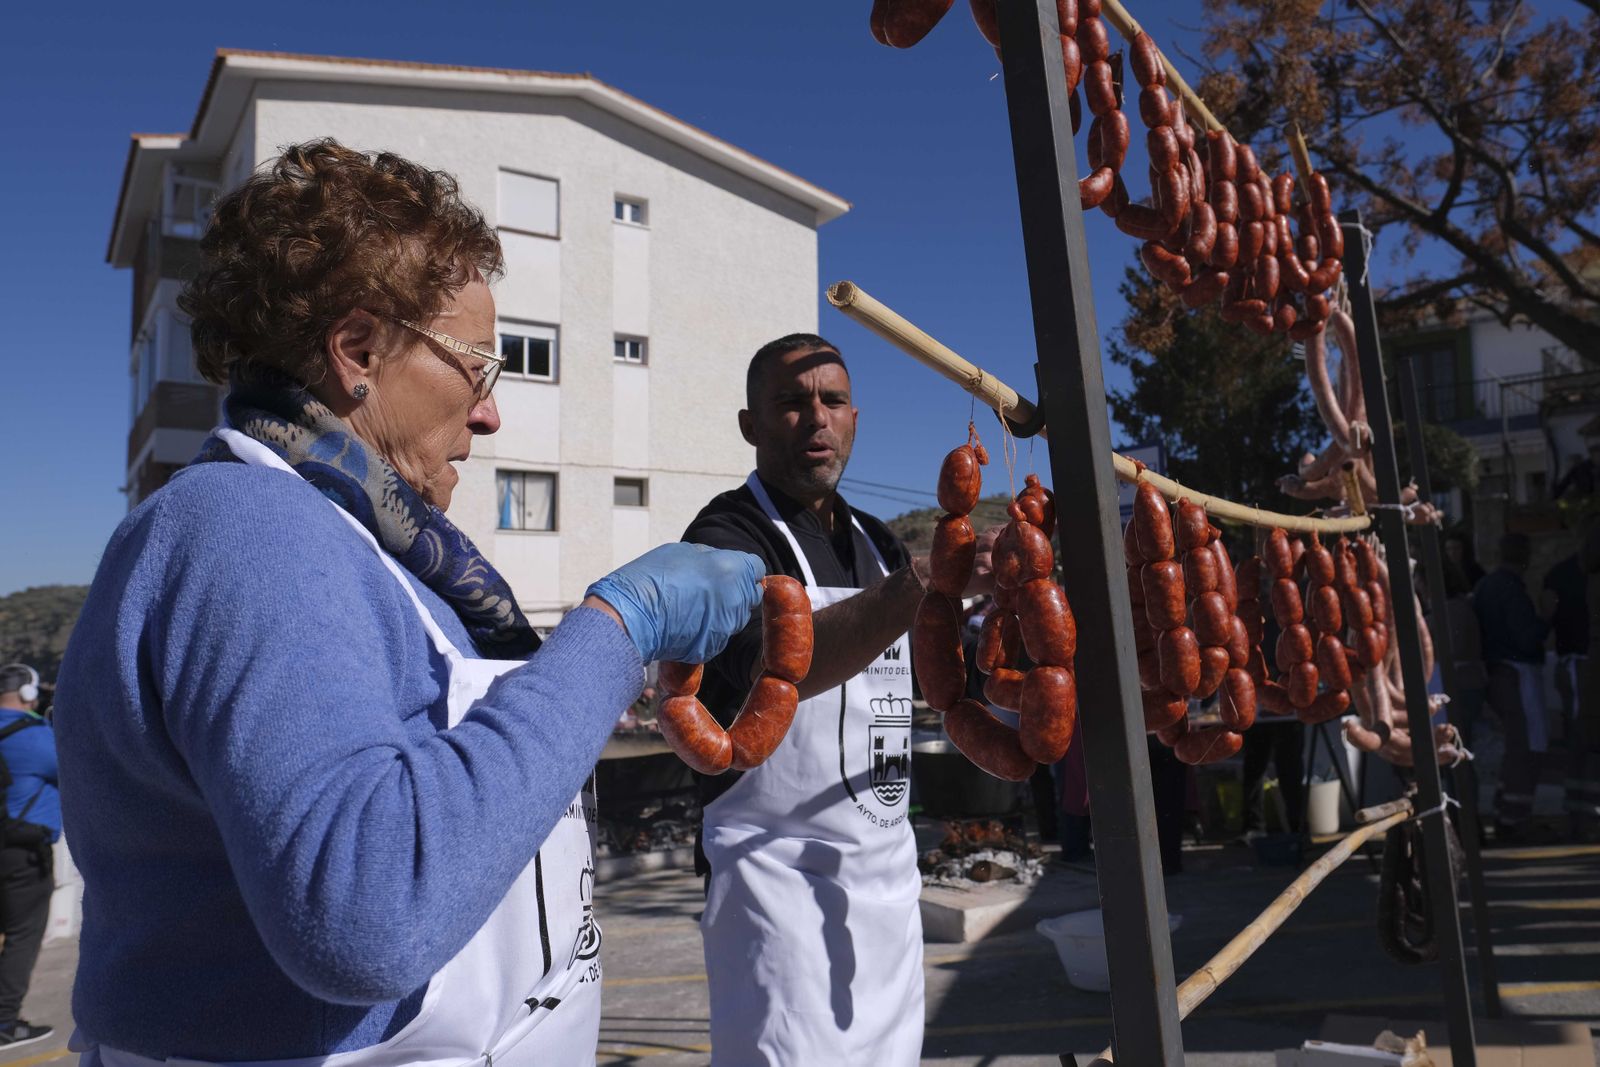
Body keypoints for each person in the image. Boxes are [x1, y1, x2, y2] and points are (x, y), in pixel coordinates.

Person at [53, 140, 763, 1065]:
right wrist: (618, 628)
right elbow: (365, 914)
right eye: (480, 366)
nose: (491, 413)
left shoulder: (359, 538)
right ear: (356, 351)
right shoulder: (249, 528)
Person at [680, 334, 992, 1064]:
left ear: (856, 417)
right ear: (750, 425)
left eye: (832, 400)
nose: (816, 418)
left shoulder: (880, 543)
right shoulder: (725, 539)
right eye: (791, 403)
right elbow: (775, 669)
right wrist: (921, 584)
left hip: (885, 895)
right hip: (776, 893)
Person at [1474, 532, 1551, 840]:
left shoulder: (1486, 586)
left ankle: (1506, 810)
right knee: (1528, 744)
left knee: (1516, 745)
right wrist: (1546, 618)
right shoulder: (1512, 589)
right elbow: (1526, 636)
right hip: (1516, 671)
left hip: (1495, 670)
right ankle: (1515, 818)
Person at [0, 664, 58, 1049]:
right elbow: (74, 767)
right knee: (22, 936)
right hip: (23, 854)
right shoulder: (35, 736)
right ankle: (4, 1022)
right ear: (26, 694)